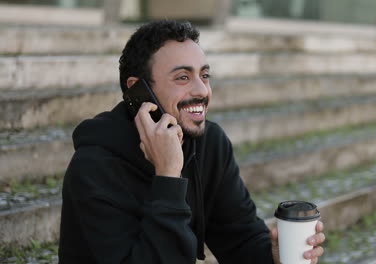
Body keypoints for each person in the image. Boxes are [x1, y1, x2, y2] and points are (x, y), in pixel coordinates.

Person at [58, 20, 325, 264]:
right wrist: (169, 176)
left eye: (204, 75)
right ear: (137, 90)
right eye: (183, 77)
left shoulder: (210, 143)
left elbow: (239, 236)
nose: (202, 90)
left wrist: (271, 257)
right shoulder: (94, 167)